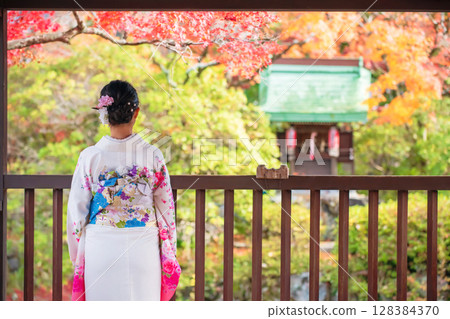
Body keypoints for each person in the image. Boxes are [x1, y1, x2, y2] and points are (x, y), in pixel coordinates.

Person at [66, 80, 180, 301]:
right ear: (136, 112)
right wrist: (169, 249)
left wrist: (77, 256)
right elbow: (166, 210)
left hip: (100, 248)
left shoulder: (90, 156)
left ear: (104, 114)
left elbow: (76, 215)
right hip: (143, 246)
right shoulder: (153, 154)